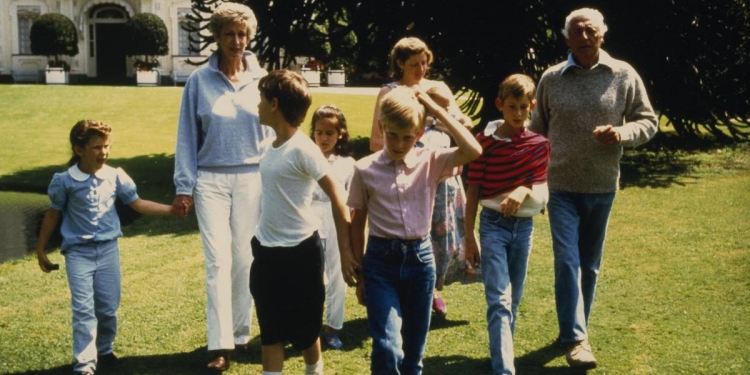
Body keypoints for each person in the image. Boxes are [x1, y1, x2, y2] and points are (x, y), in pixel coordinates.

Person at [529, 8, 658, 369]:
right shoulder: (552, 78)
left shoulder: (623, 74)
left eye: (591, 31)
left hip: (602, 186)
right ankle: (576, 339)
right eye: (577, 32)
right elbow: (537, 133)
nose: (584, 37)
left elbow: (648, 121)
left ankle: (573, 328)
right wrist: (533, 181)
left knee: (590, 265)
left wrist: (623, 133)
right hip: (561, 186)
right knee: (567, 261)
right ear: (567, 38)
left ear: (602, 34)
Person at [349, 86, 481, 374]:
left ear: (419, 134)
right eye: (392, 134)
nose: (398, 143)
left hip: (420, 263)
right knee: (386, 345)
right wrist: (360, 272)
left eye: (408, 137)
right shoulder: (364, 169)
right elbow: (357, 221)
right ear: (382, 127)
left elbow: (473, 150)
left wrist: (435, 111)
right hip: (380, 263)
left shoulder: (431, 160)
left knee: (412, 356)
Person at [172, 2, 272, 371]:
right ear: (216, 37)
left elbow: (274, 133)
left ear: (250, 36)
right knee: (218, 261)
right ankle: (220, 345)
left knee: (246, 259)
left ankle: (241, 335)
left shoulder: (262, 80)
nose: (236, 40)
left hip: (252, 178)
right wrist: (185, 186)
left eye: (242, 33)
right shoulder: (199, 81)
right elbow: (186, 137)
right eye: (229, 33)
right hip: (210, 180)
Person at [36, 120, 177, 375]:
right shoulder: (65, 181)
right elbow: (52, 215)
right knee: (83, 309)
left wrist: (171, 210)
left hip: (108, 251)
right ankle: (85, 365)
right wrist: (41, 249)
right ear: (79, 150)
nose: (103, 152)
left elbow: (138, 203)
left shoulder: (115, 176)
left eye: (106, 146)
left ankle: (105, 349)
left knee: (108, 308)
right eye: (96, 147)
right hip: (78, 253)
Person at [252, 70, 354, 375]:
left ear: (274, 104)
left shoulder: (304, 149)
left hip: (301, 254)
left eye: (260, 99)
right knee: (271, 332)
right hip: (266, 251)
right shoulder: (271, 145)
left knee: (306, 332)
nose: (256, 105)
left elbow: (338, 197)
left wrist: (346, 251)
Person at [369, 37, 470, 316]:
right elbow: (377, 141)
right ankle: (405, 289)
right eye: (415, 64)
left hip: (443, 174)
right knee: (413, 229)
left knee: (439, 231)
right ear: (400, 63)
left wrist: (446, 117)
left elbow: (465, 123)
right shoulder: (390, 92)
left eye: (425, 63)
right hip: (409, 173)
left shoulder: (437, 89)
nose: (422, 69)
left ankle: (431, 288)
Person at [464, 74, 550, 375]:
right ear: (500, 105)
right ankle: (504, 369)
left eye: (523, 107)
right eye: (511, 106)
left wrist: (523, 189)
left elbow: (538, 183)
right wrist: (469, 236)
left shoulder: (539, 144)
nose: (517, 113)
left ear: (533, 107)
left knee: (514, 298)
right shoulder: (483, 143)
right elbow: (473, 190)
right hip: (492, 226)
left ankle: (503, 355)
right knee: (499, 298)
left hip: (524, 228)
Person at [310, 105, 356, 350]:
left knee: (337, 274)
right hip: (310, 220)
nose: (324, 138)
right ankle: (308, 325)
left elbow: (353, 199)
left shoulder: (348, 164)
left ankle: (332, 327)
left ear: (340, 134)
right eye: (319, 132)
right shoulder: (306, 157)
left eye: (329, 133)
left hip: (337, 220)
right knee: (310, 275)